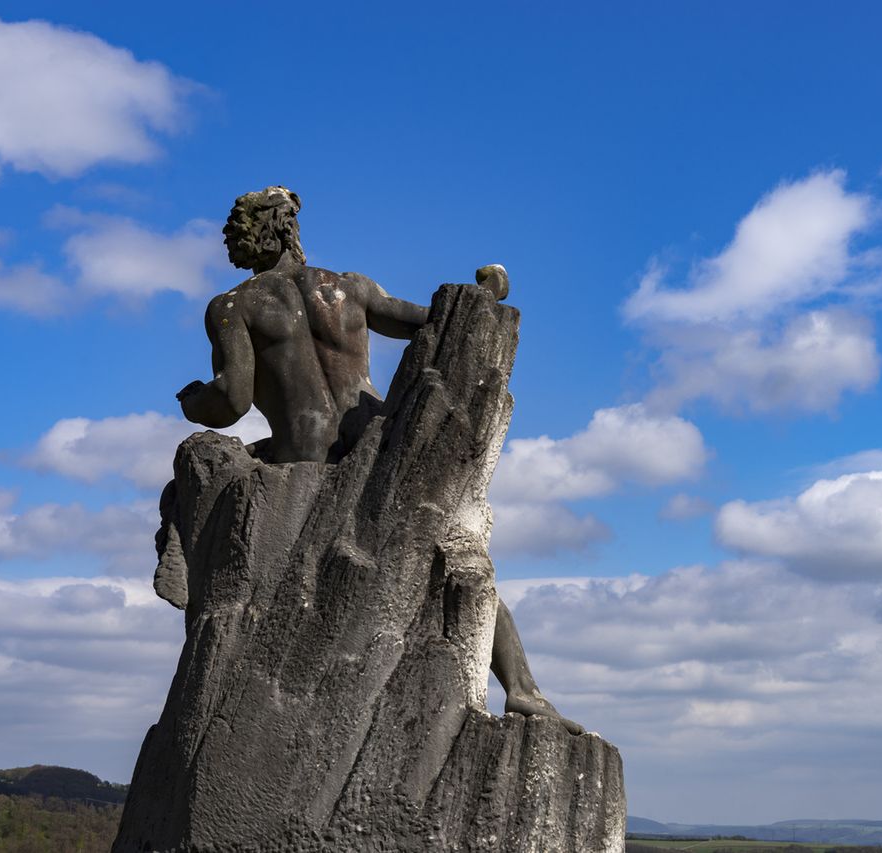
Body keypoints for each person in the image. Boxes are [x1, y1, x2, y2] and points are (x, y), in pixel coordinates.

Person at [178, 186, 582, 734]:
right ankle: (522, 688)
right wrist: (485, 293)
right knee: (450, 559)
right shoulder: (349, 288)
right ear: (292, 229)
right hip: (381, 447)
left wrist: (192, 400)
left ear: (248, 241)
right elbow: (440, 321)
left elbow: (232, 399)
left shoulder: (234, 307)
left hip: (305, 462)